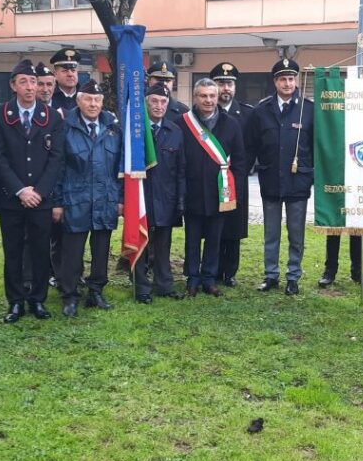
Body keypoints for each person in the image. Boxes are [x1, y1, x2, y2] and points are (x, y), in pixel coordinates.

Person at [0, 59, 63, 323]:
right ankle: (16, 301)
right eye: (24, 82)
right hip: (12, 199)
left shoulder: (51, 116)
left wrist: (39, 191)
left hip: (41, 199)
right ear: (13, 86)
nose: (30, 87)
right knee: (14, 251)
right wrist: (20, 190)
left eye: (33, 82)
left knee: (41, 250)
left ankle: (38, 300)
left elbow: (56, 158)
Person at [52, 79, 122, 317]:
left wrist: (120, 198)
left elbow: (120, 168)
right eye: (88, 99)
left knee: (101, 250)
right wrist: (58, 202)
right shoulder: (65, 127)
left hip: (105, 199)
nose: (93, 104)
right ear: (78, 100)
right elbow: (58, 168)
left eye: (97, 100)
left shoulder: (113, 128)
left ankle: (96, 291)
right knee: (72, 252)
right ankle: (70, 295)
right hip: (75, 200)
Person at [247, 58, 314, 296]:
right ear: (275, 82)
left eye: (291, 78)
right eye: (283, 79)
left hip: (298, 181)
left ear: (296, 80)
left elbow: (315, 147)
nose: (288, 83)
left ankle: (293, 276)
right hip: (271, 179)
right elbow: (251, 146)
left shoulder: (308, 109)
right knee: (271, 233)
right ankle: (271, 274)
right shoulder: (261, 111)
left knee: (296, 234)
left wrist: (312, 175)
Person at [180, 78, 247, 297]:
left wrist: (234, 191)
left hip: (220, 192)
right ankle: (192, 278)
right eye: (203, 96)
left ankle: (209, 278)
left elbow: (239, 161)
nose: (208, 100)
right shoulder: (183, 123)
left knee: (214, 237)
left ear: (217, 97)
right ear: (195, 97)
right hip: (193, 191)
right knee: (192, 238)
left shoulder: (231, 124)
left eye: (212, 96)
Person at [133, 83, 186, 303]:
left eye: (163, 101)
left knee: (163, 243)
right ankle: (141, 288)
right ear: (146, 103)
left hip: (167, 196)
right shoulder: (137, 131)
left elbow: (181, 169)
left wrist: (181, 200)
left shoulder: (175, 131)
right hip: (142, 195)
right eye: (154, 101)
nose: (159, 106)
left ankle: (164, 284)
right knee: (141, 242)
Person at [210, 61, 252, 287]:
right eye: (221, 83)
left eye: (229, 84)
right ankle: (213, 269)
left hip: (237, 178)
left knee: (234, 226)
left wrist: (242, 171)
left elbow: (253, 146)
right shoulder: (203, 114)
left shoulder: (246, 113)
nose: (225, 88)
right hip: (211, 179)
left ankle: (230, 271)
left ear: (235, 87)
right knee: (215, 224)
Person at [46, 49, 82, 288]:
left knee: (79, 230)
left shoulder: (87, 96)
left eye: (73, 69)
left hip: (81, 174)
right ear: (56, 73)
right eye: (64, 69)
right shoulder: (50, 99)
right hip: (57, 171)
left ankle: (76, 272)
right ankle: (56, 274)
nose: (70, 73)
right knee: (57, 231)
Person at [46, 48, 80, 116]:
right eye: (65, 71)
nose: (70, 74)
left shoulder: (85, 95)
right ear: (55, 74)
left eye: (73, 70)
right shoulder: (49, 96)